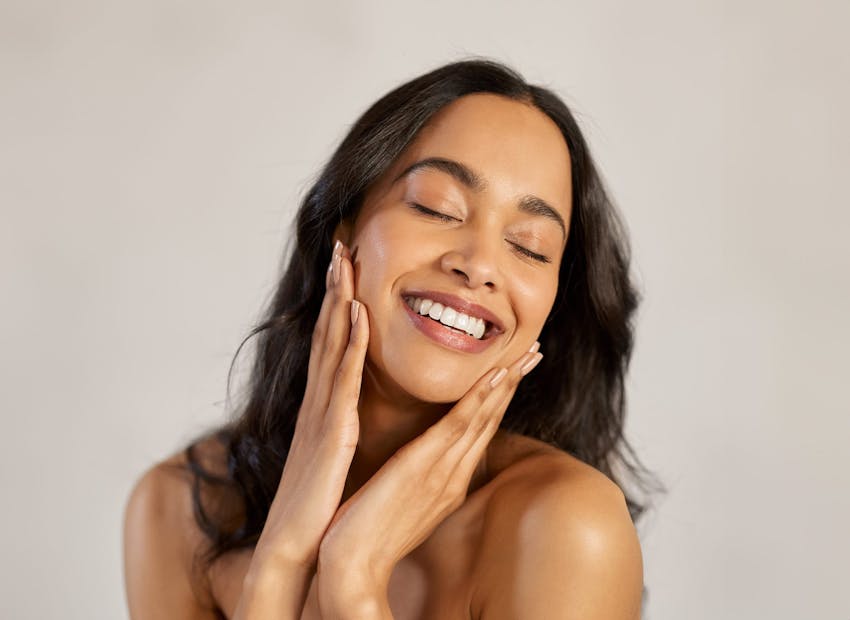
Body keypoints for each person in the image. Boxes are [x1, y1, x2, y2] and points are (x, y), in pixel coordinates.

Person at [123, 57, 658, 619]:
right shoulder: (179, 506)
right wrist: (281, 562)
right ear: (344, 226)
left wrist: (355, 578)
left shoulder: (565, 526)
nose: (479, 265)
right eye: (436, 207)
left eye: (529, 247)